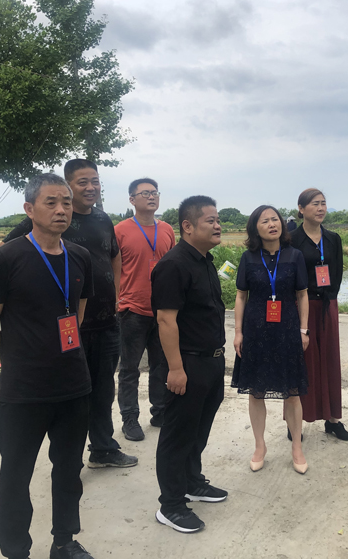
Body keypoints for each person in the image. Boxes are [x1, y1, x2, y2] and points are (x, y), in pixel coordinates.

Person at [0, 173, 97, 559]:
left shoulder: (80, 257)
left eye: (66, 202)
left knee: (69, 470)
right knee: (16, 475)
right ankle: (17, 551)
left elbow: (77, 315)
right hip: (23, 391)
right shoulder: (6, 257)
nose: (61, 209)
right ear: (29, 209)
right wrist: (11, 362)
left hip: (73, 385)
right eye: (51, 202)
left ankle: (64, 541)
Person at [3, 160, 136, 470]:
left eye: (95, 181)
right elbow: (10, 254)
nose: (90, 188)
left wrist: (116, 293)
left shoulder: (103, 218)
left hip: (106, 323)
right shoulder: (50, 218)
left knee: (103, 391)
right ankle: (69, 462)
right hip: (68, 327)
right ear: (68, 185)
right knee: (73, 396)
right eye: (82, 182)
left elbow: (114, 256)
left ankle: (103, 448)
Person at [151, 196, 228, 533]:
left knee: (199, 429)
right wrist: (176, 368)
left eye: (218, 220)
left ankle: (192, 481)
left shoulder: (205, 261)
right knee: (177, 435)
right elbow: (166, 320)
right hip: (187, 364)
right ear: (188, 226)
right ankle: (170, 505)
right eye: (211, 220)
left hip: (211, 362)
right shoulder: (174, 265)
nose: (218, 226)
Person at [232, 205, 310, 474]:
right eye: (264, 221)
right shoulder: (248, 257)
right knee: (256, 392)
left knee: (292, 392)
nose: (271, 224)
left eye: (275, 219)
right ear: (256, 228)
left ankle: (297, 447)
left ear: (281, 224)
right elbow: (241, 296)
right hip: (255, 331)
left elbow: (302, 294)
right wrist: (238, 332)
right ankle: (259, 446)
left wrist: (303, 330)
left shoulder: (295, 255)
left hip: (287, 329)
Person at [114, 178, 176, 441]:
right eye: (145, 193)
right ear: (132, 199)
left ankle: (160, 412)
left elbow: (174, 267)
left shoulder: (167, 230)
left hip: (162, 311)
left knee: (161, 365)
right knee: (129, 369)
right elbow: (114, 270)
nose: (151, 197)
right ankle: (129, 418)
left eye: (154, 192)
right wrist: (117, 301)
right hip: (132, 310)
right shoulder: (120, 231)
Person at [290, 188, 348, 441]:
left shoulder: (333, 238)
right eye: (315, 204)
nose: (321, 208)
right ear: (301, 208)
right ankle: (294, 422)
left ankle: (332, 419)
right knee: (302, 362)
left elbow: (336, 273)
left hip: (327, 305)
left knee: (329, 360)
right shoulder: (291, 239)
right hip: (301, 306)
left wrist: (330, 298)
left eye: (323, 203)